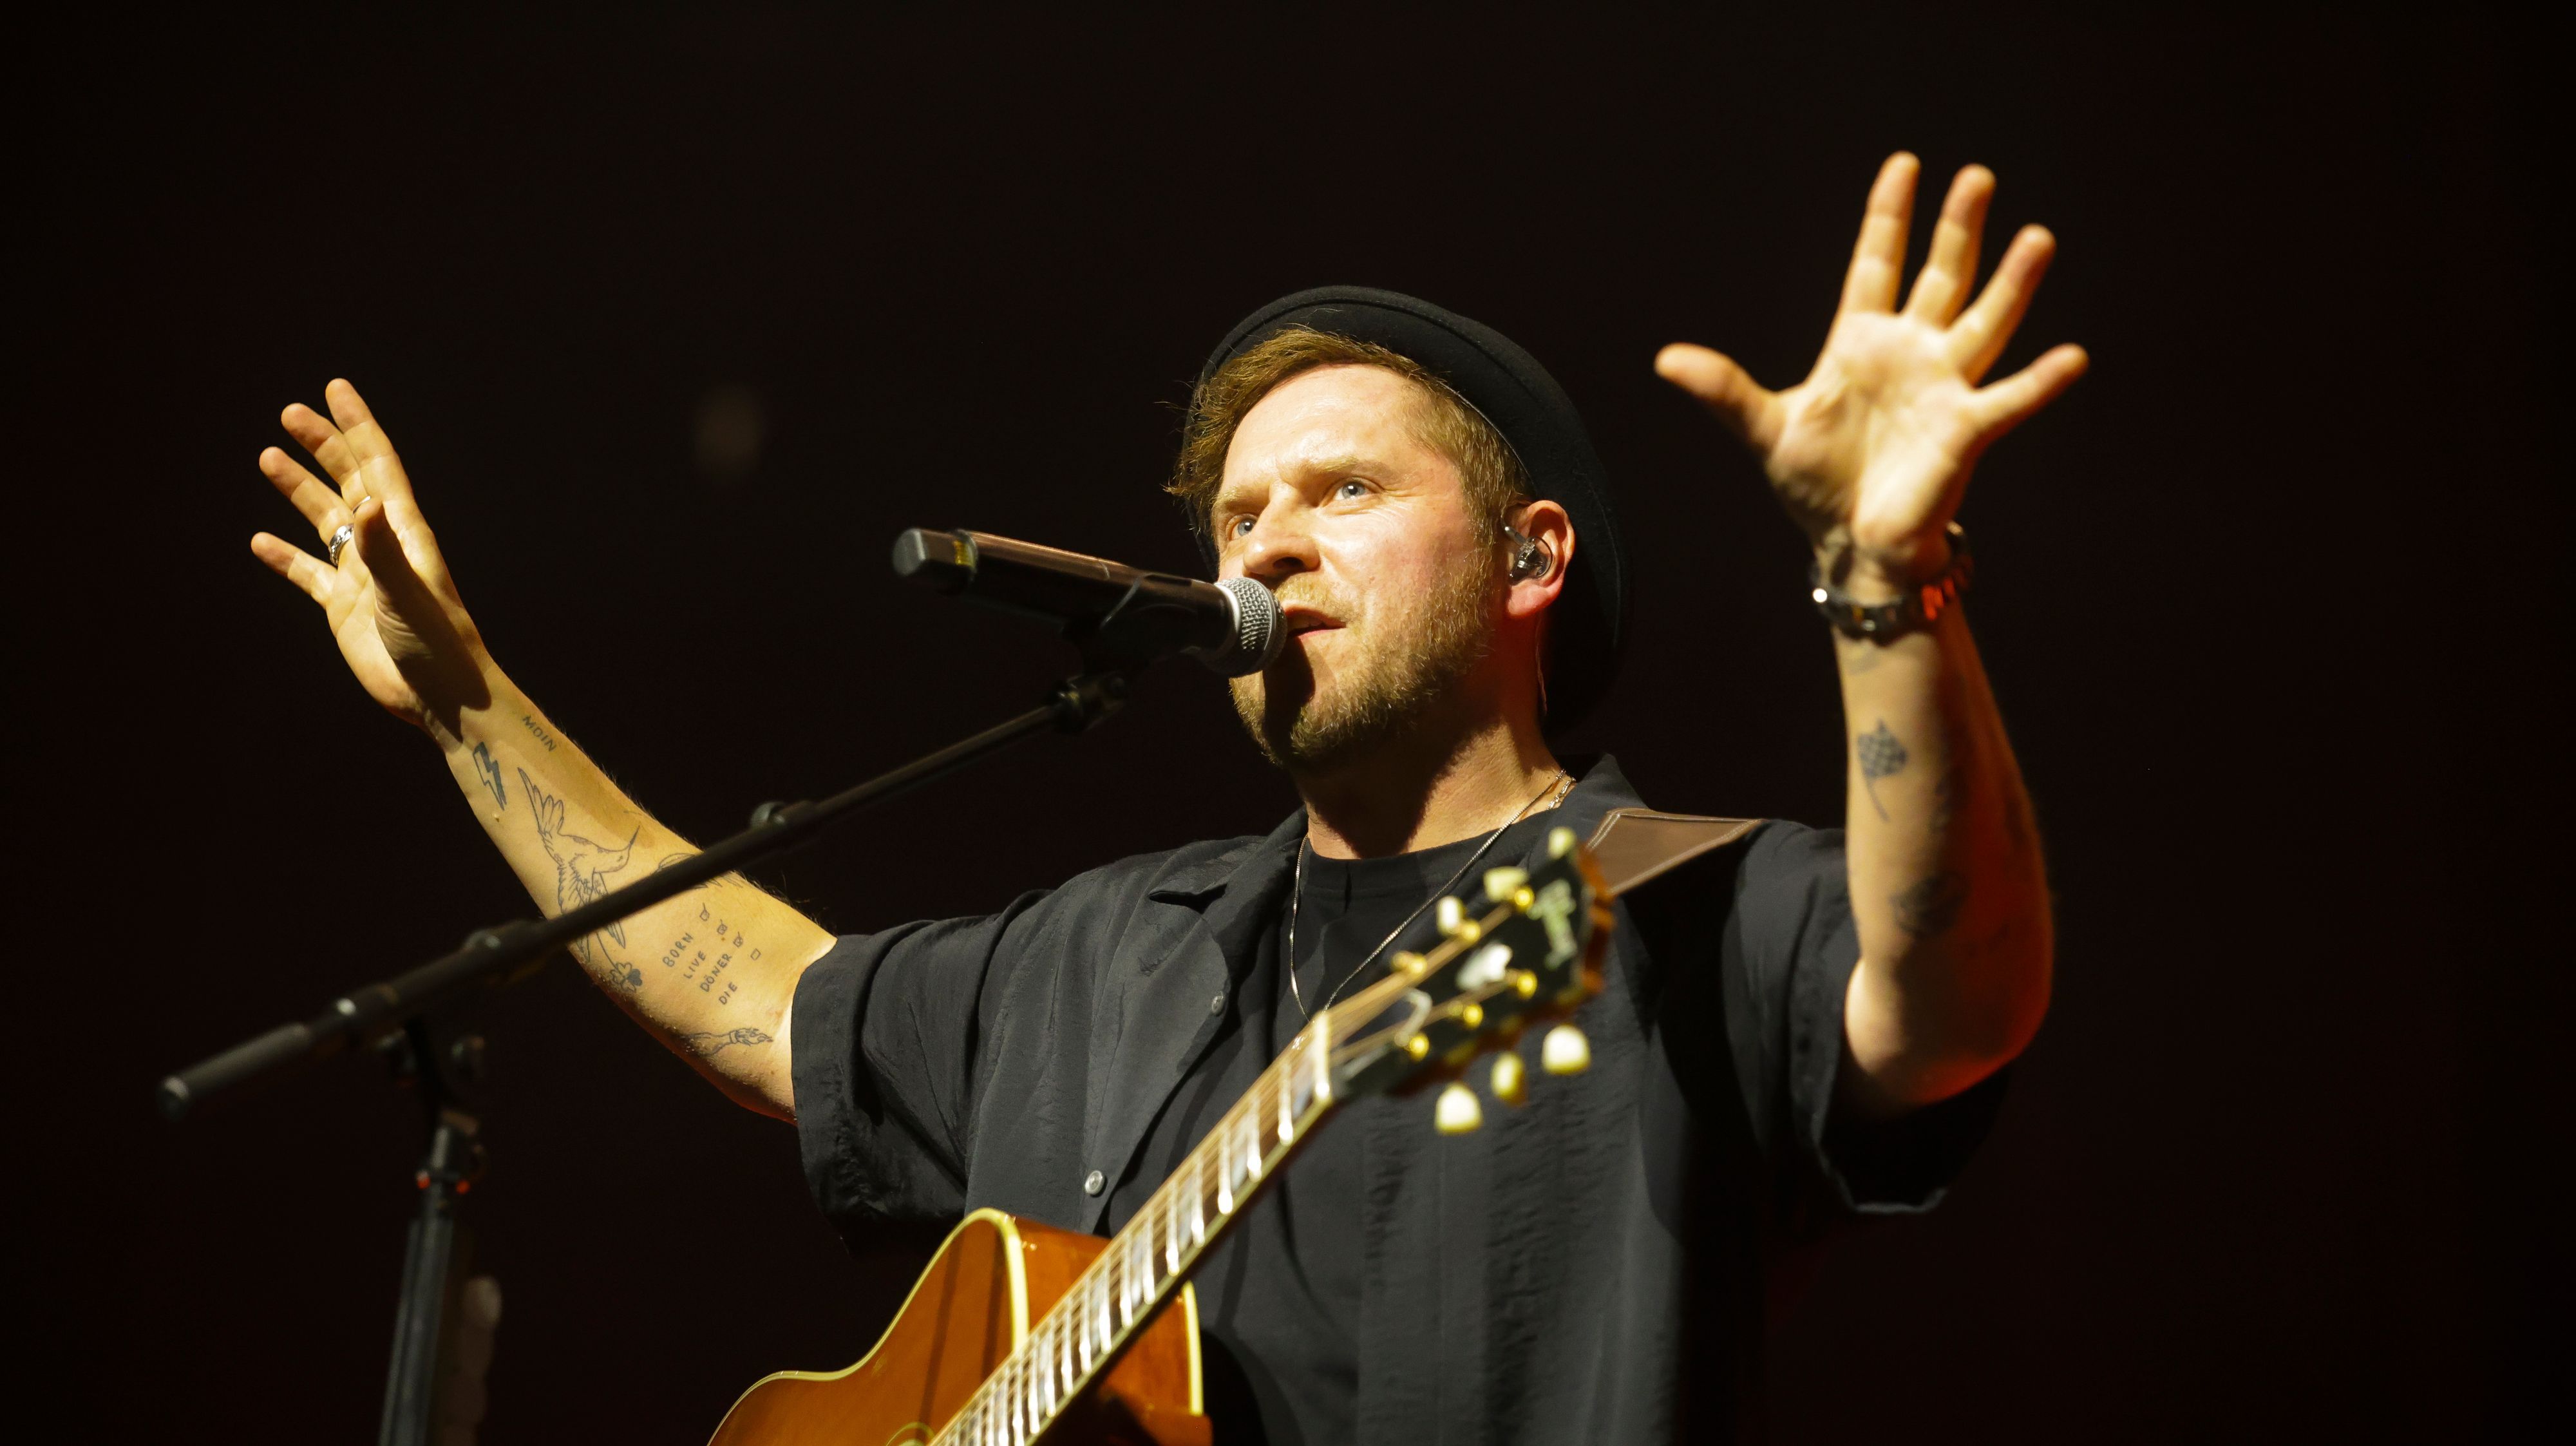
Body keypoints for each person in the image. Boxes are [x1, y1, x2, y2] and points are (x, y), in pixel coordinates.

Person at [247, 153, 2082, 1443]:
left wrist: (1882, 575)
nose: (1272, 540)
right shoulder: (1111, 958)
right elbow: (755, 1003)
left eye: (1346, 491)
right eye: (1238, 519)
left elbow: (1955, 997)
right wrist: (463, 708)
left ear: (1532, 558)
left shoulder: (1668, 913)